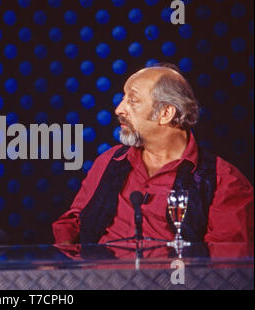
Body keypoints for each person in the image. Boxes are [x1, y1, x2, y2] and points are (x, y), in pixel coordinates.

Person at [53, 64, 254, 247]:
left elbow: (225, 269)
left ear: (166, 113)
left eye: (133, 100)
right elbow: (74, 223)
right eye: (123, 98)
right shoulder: (109, 161)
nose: (118, 109)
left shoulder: (224, 182)